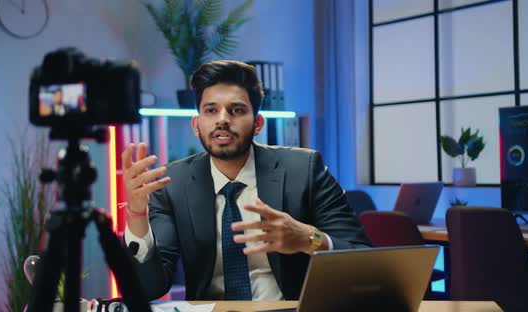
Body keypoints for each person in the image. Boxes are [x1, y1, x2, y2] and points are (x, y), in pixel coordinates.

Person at [122, 60, 371, 301]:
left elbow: (364, 260)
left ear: (258, 123)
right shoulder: (172, 184)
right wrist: (136, 215)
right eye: (211, 110)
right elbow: (148, 289)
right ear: (197, 125)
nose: (222, 119)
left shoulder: (303, 170)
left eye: (236, 110)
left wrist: (308, 239)